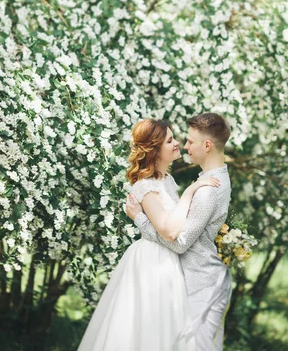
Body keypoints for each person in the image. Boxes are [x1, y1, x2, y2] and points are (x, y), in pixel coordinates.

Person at [77, 118, 220, 351]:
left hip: (169, 262)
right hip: (153, 262)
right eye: (170, 141)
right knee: (146, 327)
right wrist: (192, 191)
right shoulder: (146, 185)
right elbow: (169, 230)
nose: (177, 144)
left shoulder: (167, 181)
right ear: (154, 150)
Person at [126, 112, 232, 351]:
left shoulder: (205, 188)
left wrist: (140, 221)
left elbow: (179, 240)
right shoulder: (209, 181)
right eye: (172, 140)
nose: (182, 146)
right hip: (167, 270)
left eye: (188, 141)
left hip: (198, 280)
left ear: (207, 145)